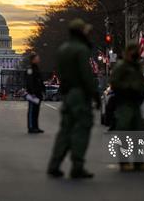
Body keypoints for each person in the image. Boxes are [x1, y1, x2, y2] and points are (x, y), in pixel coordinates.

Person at [47, 19, 101, 179]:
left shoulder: (62, 49)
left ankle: (54, 164)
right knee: (81, 130)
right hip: (79, 94)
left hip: (67, 94)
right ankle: (77, 166)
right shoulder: (81, 50)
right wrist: (95, 95)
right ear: (80, 32)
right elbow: (86, 75)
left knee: (65, 131)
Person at [109, 44, 144, 172]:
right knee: (124, 132)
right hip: (125, 102)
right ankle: (124, 161)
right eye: (134, 51)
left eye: (137, 51)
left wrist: (141, 93)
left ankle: (139, 162)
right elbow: (114, 82)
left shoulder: (138, 66)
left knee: (138, 132)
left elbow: (143, 82)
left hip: (136, 102)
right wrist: (127, 88)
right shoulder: (121, 66)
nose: (136, 53)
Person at [26, 53, 45, 134]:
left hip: (38, 93)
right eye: (37, 58)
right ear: (33, 59)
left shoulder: (37, 68)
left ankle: (36, 127)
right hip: (32, 94)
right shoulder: (30, 69)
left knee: (36, 111)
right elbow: (29, 82)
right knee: (31, 111)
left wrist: (43, 89)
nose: (39, 59)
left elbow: (40, 81)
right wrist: (32, 92)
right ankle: (31, 127)